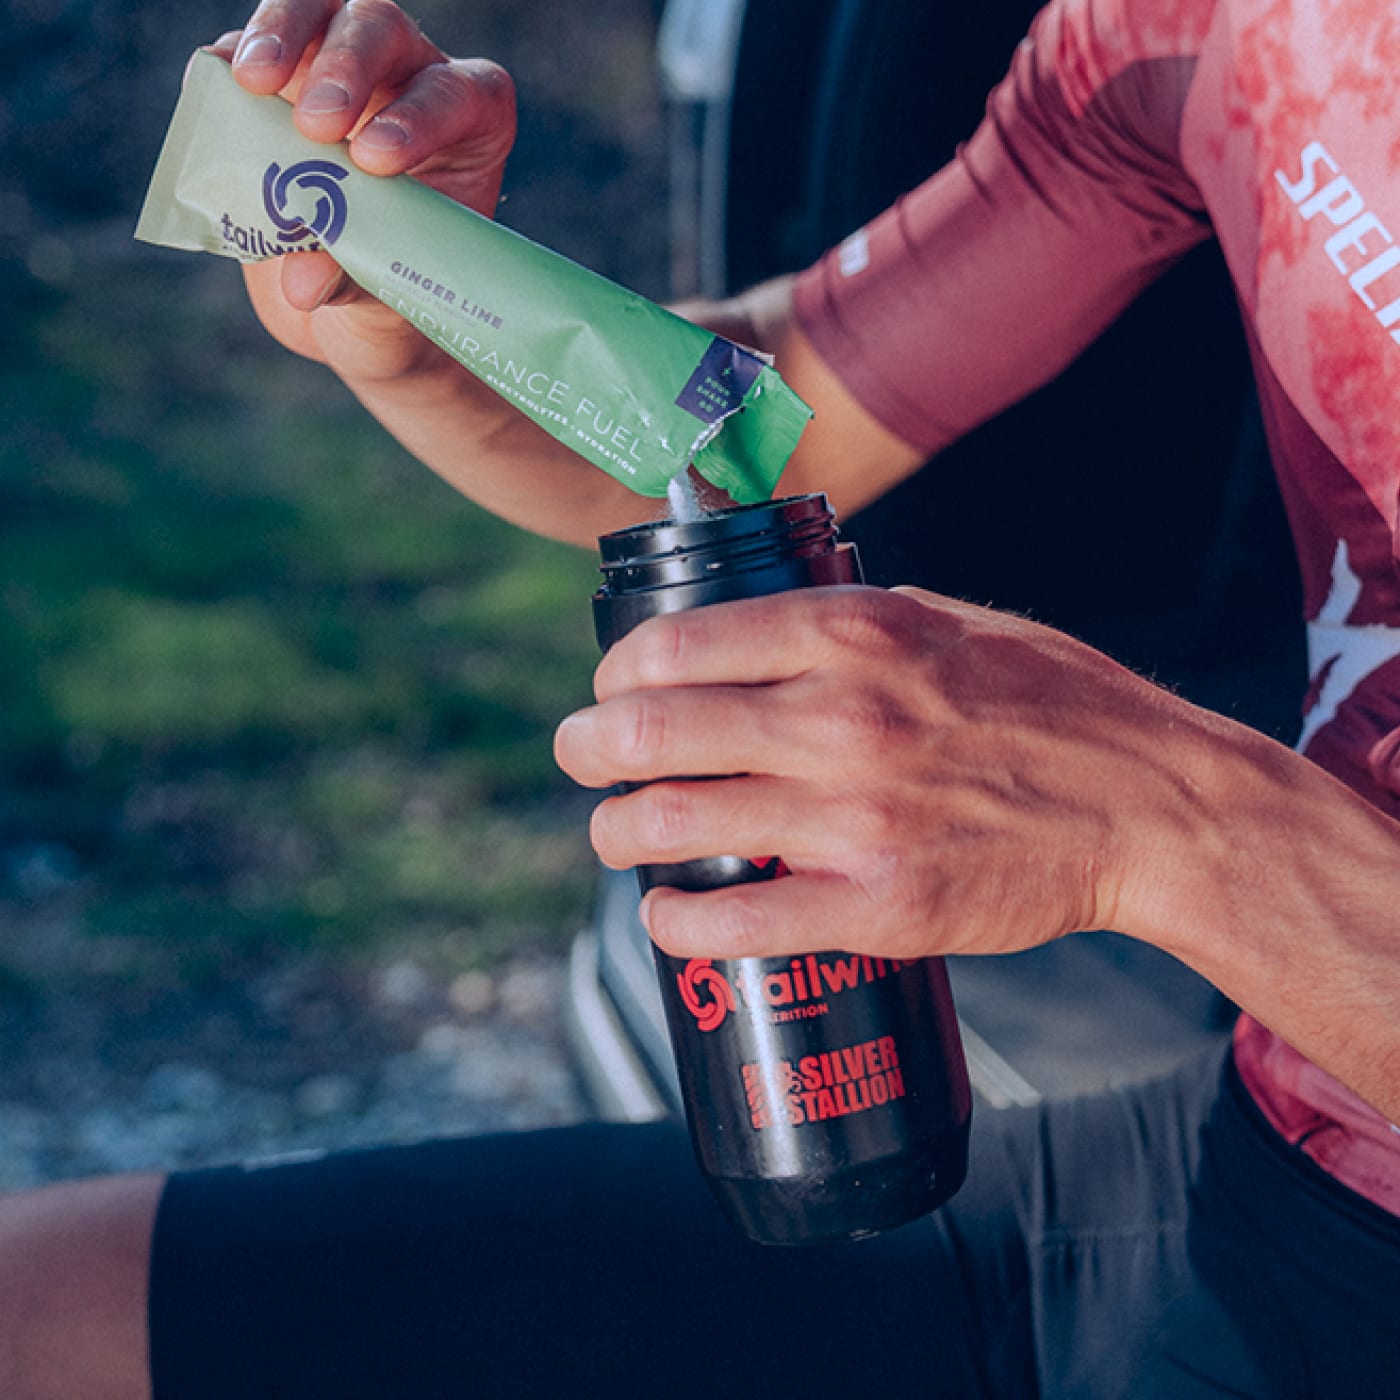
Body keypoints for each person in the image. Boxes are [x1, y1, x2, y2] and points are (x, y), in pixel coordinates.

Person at [3, 0, 1399, 1394]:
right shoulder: (1212, 31)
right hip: (1246, 1185)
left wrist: (1171, 825)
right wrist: (434, 300)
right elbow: (744, 442)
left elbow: (1173, 826)